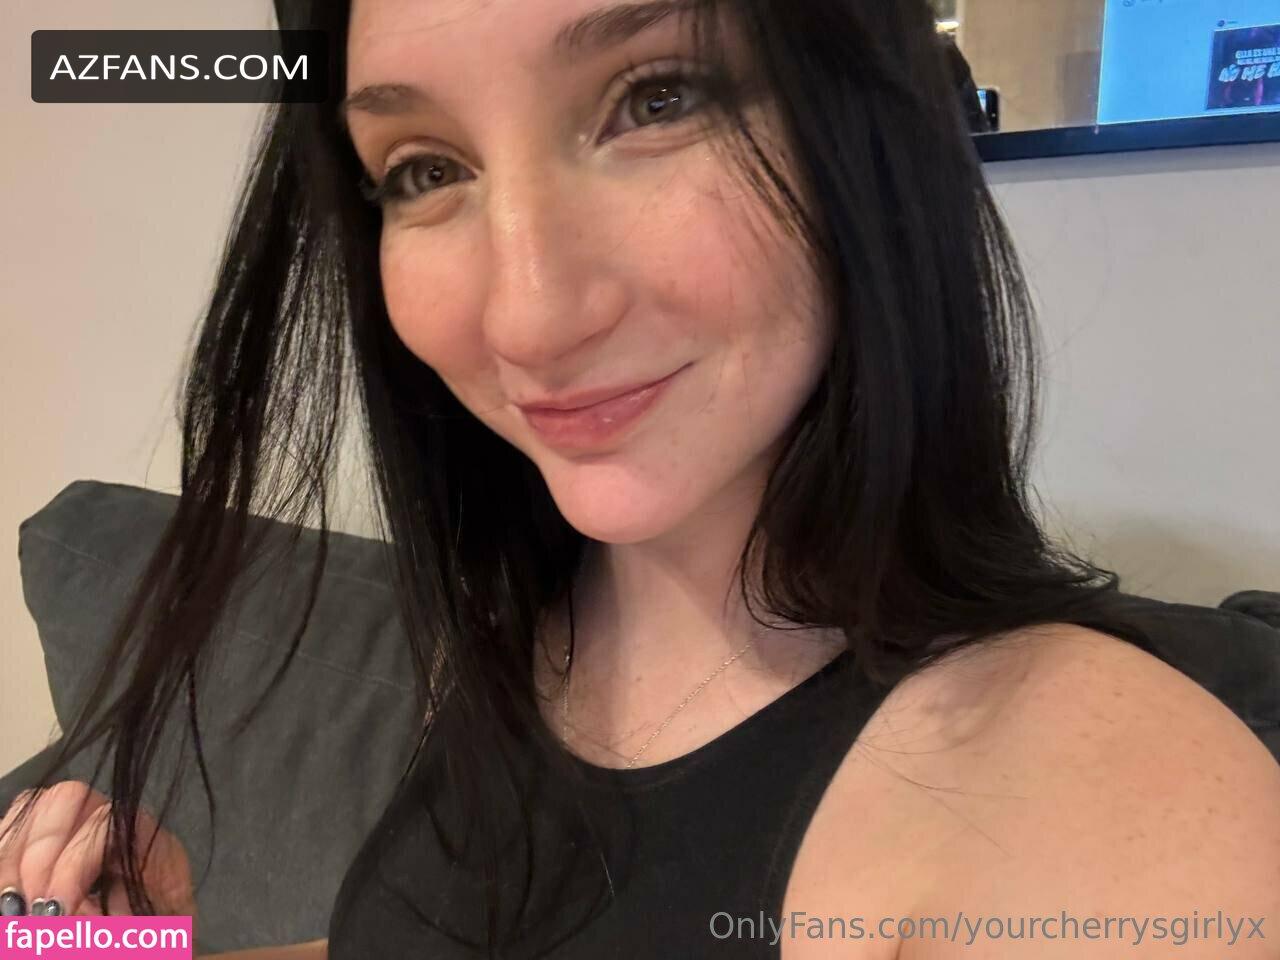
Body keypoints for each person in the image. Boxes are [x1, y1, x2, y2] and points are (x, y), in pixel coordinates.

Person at [2, 0, 1278, 957]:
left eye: (655, 99)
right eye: (425, 169)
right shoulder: (538, 630)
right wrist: (139, 942)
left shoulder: (1103, 822)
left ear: (862, 122)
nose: (528, 314)